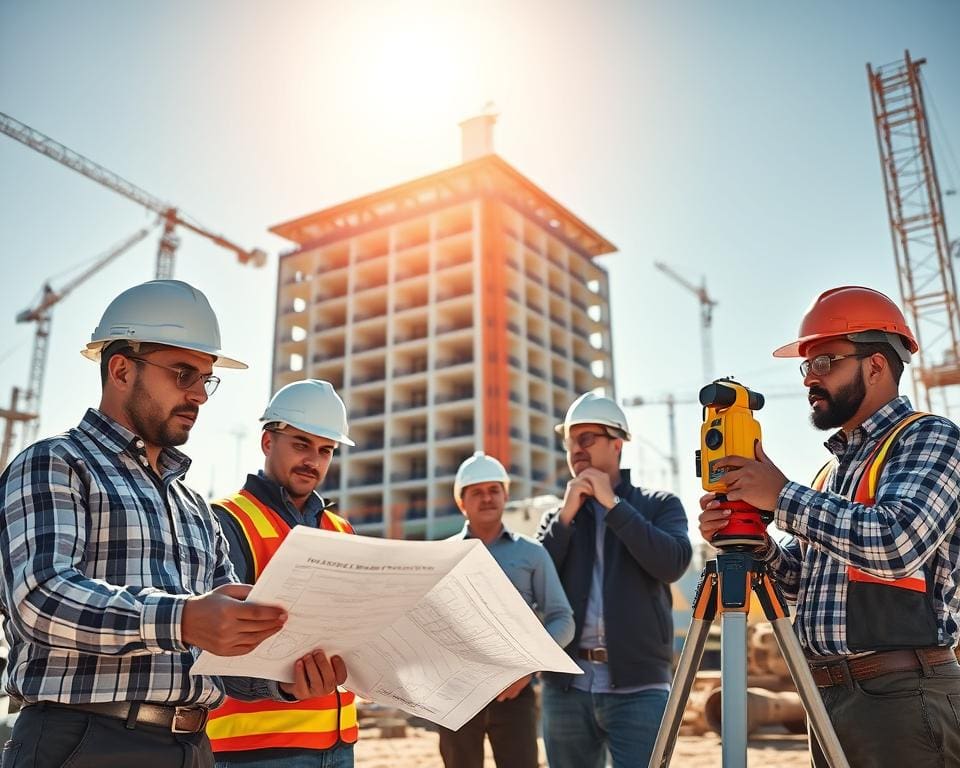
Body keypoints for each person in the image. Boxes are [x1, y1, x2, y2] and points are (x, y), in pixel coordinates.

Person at [0, 280, 345, 768]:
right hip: (82, 740)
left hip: (192, 747)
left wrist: (283, 678)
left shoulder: (194, 508)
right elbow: (40, 598)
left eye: (206, 379)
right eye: (183, 374)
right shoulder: (56, 462)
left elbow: (227, 651)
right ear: (120, 369)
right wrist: (183, 618)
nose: (199, 395)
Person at [698, 286, 960, 767]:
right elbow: (806, 583)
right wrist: (756, 541)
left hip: (902, 698)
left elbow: (897, 542)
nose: (808, 380)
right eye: (806, 367)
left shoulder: (929, 437)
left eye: (825, 363)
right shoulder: (831, 474)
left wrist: (779, 495)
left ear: (876, 365)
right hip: (828, 697)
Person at [536, 392, 692, 768]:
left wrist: (615, 506)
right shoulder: (559, 519)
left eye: (586, 438)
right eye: (570, 440)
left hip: (639, 688)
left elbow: (672, 563)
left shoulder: (659, 505)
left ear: (617, 443)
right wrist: (566, 519)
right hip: (565, 686)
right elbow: (538, 582)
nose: (576, 449)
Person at [209, 379, 359, 768]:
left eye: (325, 450)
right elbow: (215, 646)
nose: (313, 460)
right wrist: (284, 686)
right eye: (301, 444)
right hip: (255, 751)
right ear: (267, 442)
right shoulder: (226, 520)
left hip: (338, 745)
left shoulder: (341, 530)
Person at [438, 451, 574, 768]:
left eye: (494, 490)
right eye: (477, 492)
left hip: (516, 693)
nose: (487, 498)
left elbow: (562, 618)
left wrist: (530, 666)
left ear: (505, 495)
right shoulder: (442, 555)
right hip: (456, 695)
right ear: (462, 502)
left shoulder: (532, 554)